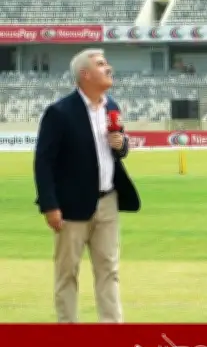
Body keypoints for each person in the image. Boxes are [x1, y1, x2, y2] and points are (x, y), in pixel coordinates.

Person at [33, 48, 140, 323]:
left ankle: (112, 331)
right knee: (67, 273)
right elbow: (43, 162)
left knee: (109, 270)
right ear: (85, 74)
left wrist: (122, 144)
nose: (108, 68)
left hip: (108, 202)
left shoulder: (112, 107)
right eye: (101, 64)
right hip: (70, 206)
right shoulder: (59, 112)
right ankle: (69, 331)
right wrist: (49, 205)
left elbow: (118, 149)